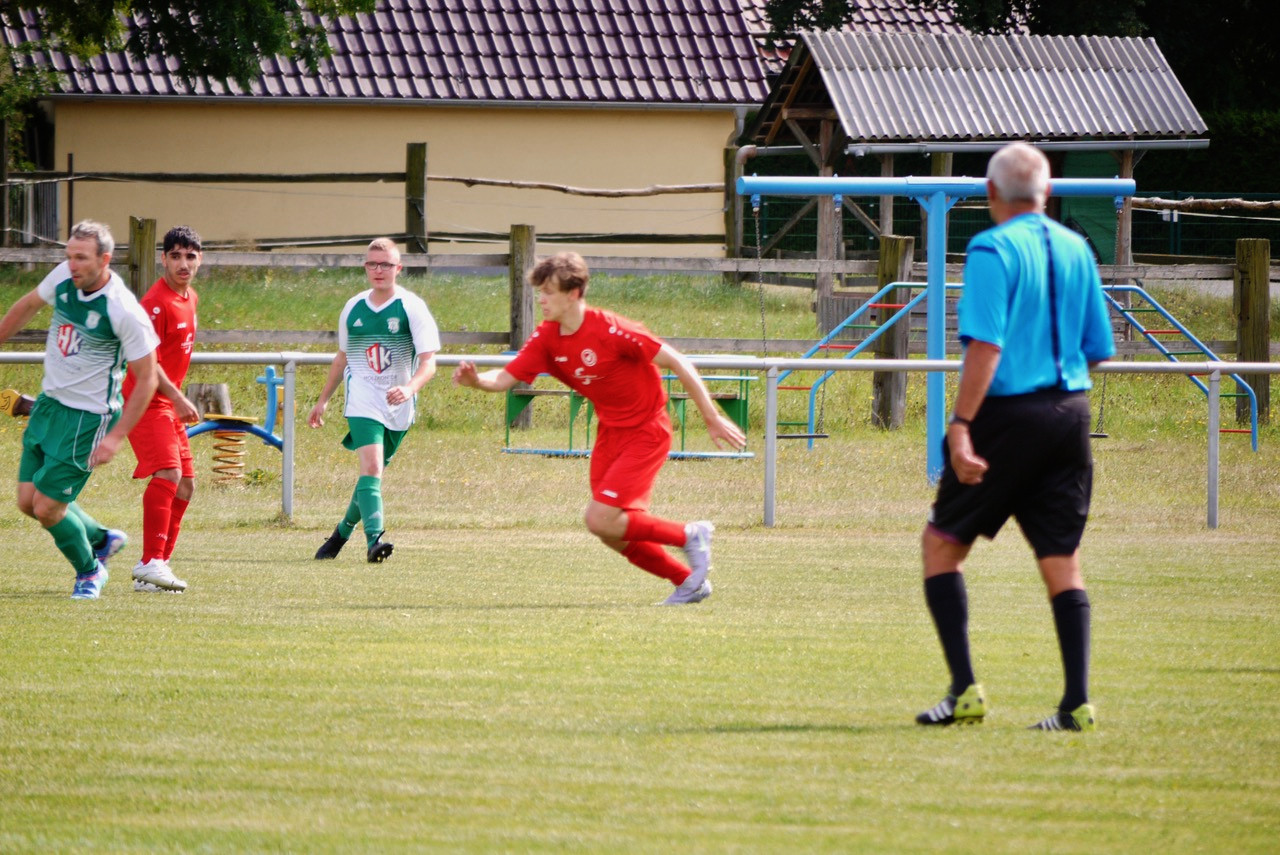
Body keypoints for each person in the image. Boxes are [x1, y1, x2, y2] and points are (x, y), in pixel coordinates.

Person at [915, 143, 1115, 732]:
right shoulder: (1078, 248)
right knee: (1061, 560)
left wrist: (960, 426)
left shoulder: (991, 247)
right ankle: (1075, 703)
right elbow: (1098, 349)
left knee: (942, 545)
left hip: (1006, 414)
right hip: (1070, 413)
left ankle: (964, 691)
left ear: (991, 193)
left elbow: (986, 345)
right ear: (1047, 192)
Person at [452, 251, 747, 605]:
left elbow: (677, 360)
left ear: (573, 294)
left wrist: (711, 416)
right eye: (539, 292)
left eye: (548, 292)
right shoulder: (547, 337)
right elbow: (503, 378)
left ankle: (689, 535)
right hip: (610, 433)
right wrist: (475, 382)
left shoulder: (612, 329)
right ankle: (688, 582)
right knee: (611, 530)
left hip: (647, 431)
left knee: (599, 518)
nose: (541, 300)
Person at [0, 220, 159, 599]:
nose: (72, 265)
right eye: (69, 255)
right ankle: (102, 538)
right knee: (27, 502)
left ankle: (90, 571)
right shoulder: (65, 276)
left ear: (105, 260)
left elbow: (148, 378)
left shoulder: (122, 310)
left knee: (48, 509)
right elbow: (26, 307)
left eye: (81, 258)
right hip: (48, 406)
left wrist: (116, 437)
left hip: (87, 420)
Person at [309, 238, 440, 563]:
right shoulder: (353, 307)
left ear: (399, 268)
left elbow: (429, 362)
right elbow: (342, 358)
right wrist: (323, 399)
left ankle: (340, 533)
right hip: (363, 400)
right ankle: (374, 541)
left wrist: (409, 389)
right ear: (365, 267)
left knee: (373, 475)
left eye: (385, 264)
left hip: (399, 405)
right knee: (371, 466)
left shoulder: (411, 307)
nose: (378, 270)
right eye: (372, 264)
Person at [123, 226, 205, 593]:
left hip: (166, 402)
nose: (183, 263)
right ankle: (152, 562)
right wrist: (177, 397)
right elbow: (146, 362)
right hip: (145, 399)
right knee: (168, 473)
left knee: (186, 486)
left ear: (200, 258)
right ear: (163, 259)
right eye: (176, 256)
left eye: (190, 256)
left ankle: (153, 569)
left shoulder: (190, 298)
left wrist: (174, 399)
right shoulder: (154, 304)